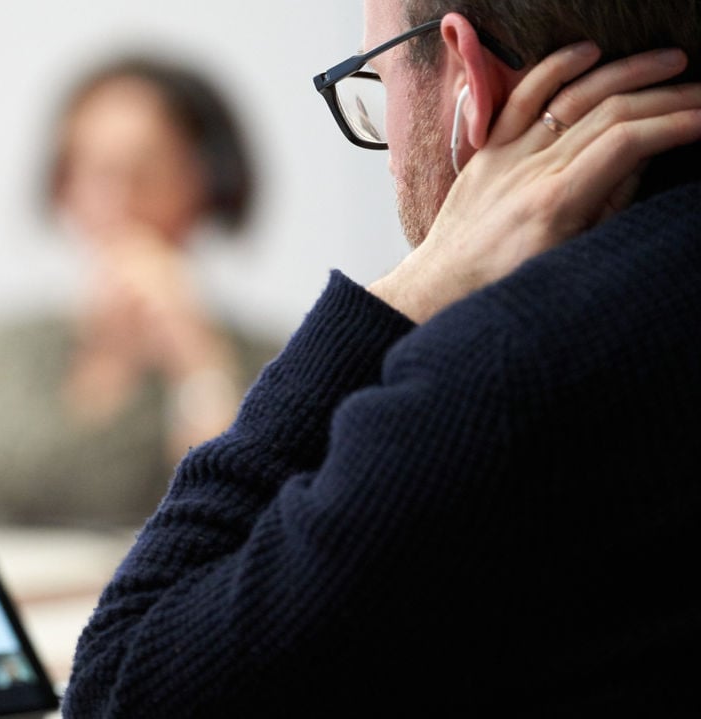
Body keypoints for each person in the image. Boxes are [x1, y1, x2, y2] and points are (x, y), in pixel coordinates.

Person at [64, 0, 701, 714]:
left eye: (377, 81)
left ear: (466, 72)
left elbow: (121, 689)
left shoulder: (501, 371)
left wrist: (406, 293)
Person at [0, 56, 281, 527]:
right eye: (90, 172)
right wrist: (108, 364)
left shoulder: (274, 363)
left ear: (206, 184)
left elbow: (244, 510)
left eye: (144, 173)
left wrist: (199, 363)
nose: (116, 203)